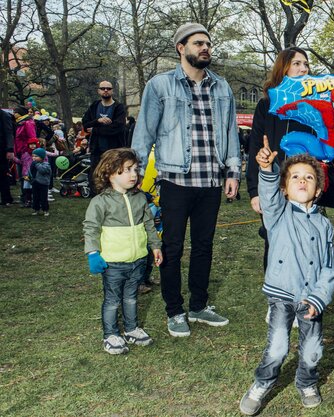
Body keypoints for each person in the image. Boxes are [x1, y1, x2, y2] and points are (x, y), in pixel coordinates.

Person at [132, 23, 241, 337]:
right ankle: (174, 310)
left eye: (207, 43)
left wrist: (232, 172)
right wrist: (135, 172)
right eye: (198, 43)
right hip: (175, 179)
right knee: (173, 247)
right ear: (181, 48)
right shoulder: (160, 85)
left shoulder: (222, 87)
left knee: (204, 246)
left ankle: (199, 305)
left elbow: (231, 134)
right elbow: (144, 134)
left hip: (210, 182)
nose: (205, 48)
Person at [239, 145, 334, 414]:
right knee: (278, 348)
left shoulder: (324, 224)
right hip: (282, 293)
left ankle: (307, 382)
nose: (302, 180)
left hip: (311, 298)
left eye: (309, 177)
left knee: (312, 349)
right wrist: (266, 169)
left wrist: (320, 296)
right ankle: (261, 383)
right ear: (284, 188)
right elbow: (268, 197)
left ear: (318, 189)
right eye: (295, 177)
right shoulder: (278, 214)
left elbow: (329, 267)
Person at [82, 148, 163, 354]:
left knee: (131, 297)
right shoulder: (100, 202)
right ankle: (110, 334)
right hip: (113, 262)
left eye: (135, 169)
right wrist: (93, 253)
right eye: (126, 170)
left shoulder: (140, 198)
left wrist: (155, 246)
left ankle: (131, 329)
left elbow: (149, 224)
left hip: (137, 260)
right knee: (112, 300)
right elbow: (90, 228)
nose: (133, 174)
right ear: (109, 173)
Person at [246, 46, 314, 271]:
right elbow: (255, 146)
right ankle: (277, 299)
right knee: (274, 241)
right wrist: (255, 191)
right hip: (272, 184)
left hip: (303, 184)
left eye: (305, 64)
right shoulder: (267, 104)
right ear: (283, 68)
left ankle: (305, 299)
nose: (303, 68)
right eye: (297, 63)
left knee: (306, 242)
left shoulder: (314, 104)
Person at [82, 80, 127, 178]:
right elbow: (85, 124)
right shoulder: (94, 106)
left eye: (108, 88)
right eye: (103, 88)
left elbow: (117, 128)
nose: (105, 90)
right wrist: (98, 121)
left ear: (112, 91)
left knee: (112, 178)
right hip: (96, 152)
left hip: (114, 152)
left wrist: (95, 130)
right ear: (99, 91)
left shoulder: (119, 107)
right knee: (95, 178)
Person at [29, 148, 51, 216]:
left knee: (43, 197)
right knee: (35, 197)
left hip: (43, 184)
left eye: (36, 156)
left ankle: (45, 210)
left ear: (42, 157)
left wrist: (36, 164)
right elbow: (31, 171)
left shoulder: (46, 165)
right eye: (33, 156)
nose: (34, 158)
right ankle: (36, 209)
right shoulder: (33, 164)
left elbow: (42, 170)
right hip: (35, 183)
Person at [0, 109, 14, 206]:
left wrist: (10, 149)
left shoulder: (4, 115)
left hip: (2, 148)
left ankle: (6, 198)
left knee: (3, 173)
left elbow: (9, 132)